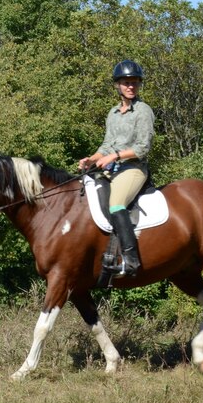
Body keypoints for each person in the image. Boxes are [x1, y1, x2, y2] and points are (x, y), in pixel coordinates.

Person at [77, 59, 155, 276]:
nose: (131, 86)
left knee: (116, 203)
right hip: (111, 169)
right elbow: (107, 145)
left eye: (135, 83)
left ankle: (131, 260)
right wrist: (92, 159)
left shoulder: (143, 111)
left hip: (133, 169)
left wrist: (115, 156)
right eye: (126, 83)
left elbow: (142, 147)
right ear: (117, 85)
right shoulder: (112, 113)